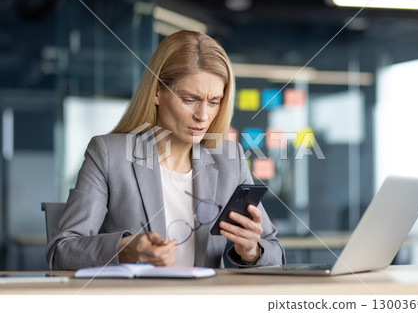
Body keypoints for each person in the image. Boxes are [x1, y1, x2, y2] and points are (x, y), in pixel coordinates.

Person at [46, 30, 285, 270]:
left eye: (214, 102)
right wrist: (126, 248)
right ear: (157, 92)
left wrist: (252, 250)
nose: (202, 116)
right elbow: (62, 252)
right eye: (189, 99)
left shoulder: (229, 161)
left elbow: (276, 254)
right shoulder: (109, 155)